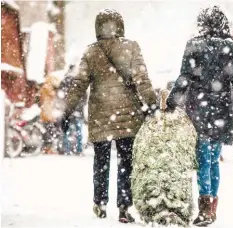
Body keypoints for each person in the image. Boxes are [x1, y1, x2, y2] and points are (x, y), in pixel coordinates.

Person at [61, 9, 157, 223]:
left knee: (101, 161)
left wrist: (67, 111)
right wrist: (151, 104)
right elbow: (142, 78)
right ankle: (124, 206)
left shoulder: (91, 52)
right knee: (126, 161)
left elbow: (79, 85)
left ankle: (100, 203)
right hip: (128, 114)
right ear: (120, 25)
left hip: (101, 116)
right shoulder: (131, 47)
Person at [166, 6, 233, 226]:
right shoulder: (232, 48)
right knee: (213, 159)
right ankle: (212, 206)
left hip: (198, 109)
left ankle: (205, 207)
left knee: (203, 159)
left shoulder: (194, 46)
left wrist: (171, 101)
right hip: (221, 110)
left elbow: (184, 77)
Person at [59, 64, 87, 155]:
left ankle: (66, 149)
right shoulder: (80, 81)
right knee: (78, 131)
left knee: (66, 130)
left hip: (68, 111)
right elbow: (84, 98)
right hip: (78, 111)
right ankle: (79, 150)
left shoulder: (65, 80)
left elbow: (61, 95)